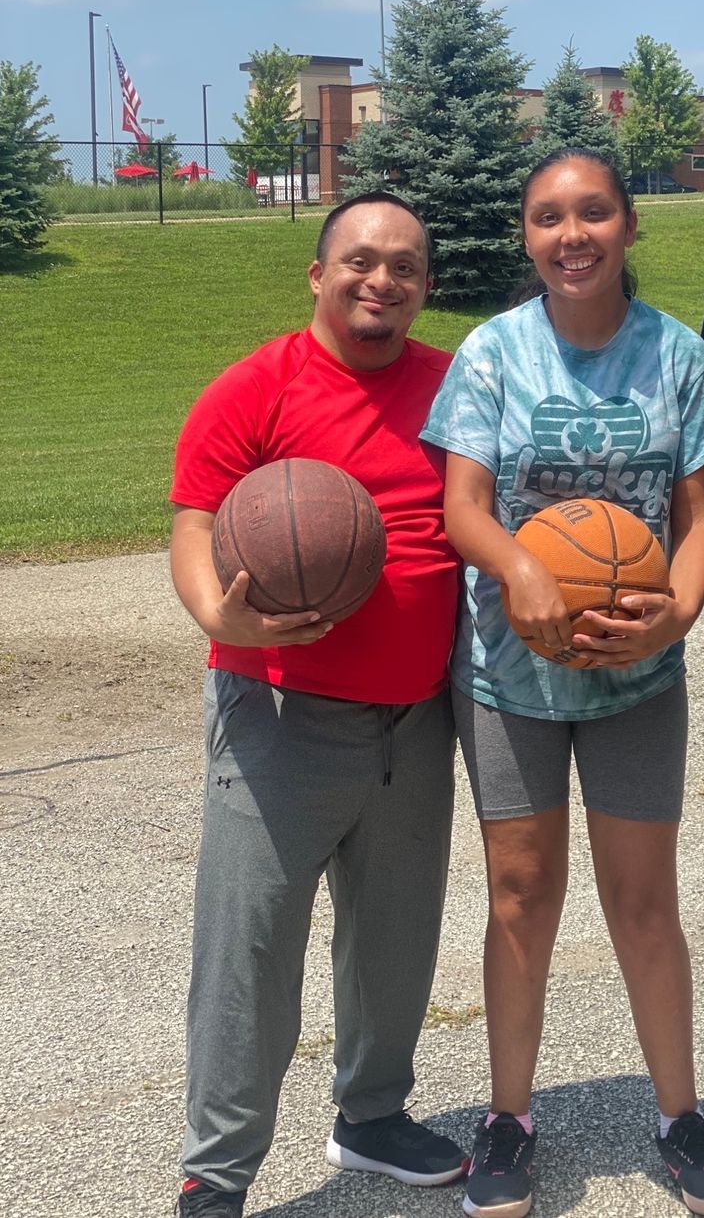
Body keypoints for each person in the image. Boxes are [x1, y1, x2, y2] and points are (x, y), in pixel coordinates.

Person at [420, 147, 704, 1218]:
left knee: (643, 901)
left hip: (637, 677)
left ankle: (680, 1115)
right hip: (509, 676)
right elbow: (462, 505)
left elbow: (700, 522)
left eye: (594, 213)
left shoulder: (678, 358)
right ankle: (509, 1119)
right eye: (550, 217)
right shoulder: (492, 351)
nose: (573, 234)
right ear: (527, 236)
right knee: (521, 896)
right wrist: (518, 565)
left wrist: (679, 614)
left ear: (628, 227)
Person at [168, 193, 466, 1216]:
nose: (381, 281)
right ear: (317, 272)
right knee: (249, 951)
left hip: (417, 719)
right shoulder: (253, 390)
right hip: (280, 714)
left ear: (425, 287)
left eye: (405, 269)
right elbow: (195, 522)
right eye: (360, 261)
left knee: (395, 937)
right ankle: (216, 1174)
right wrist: (223, 616)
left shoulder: (455, 385)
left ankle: (372, 1116)